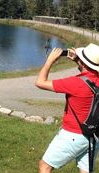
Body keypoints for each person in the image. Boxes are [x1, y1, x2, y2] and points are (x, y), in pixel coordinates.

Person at [35, 43, 99, 173]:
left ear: (83, 63)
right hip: (93, 135)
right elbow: (89, 72)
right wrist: (80, 61)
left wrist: (49, 61)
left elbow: (40, 82)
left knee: (44, 166)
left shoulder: (75, 83)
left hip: (72, 135)